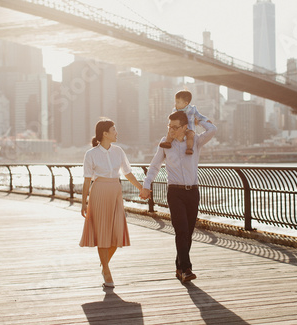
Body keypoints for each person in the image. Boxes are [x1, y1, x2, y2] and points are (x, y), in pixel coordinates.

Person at [140, 110, 217, 283]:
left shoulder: (195, 141)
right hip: (174, 192)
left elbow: (212, 130)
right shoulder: (165, 143)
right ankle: (187, 268)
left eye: (175, 127)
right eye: (169, 127)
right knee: (181, 229)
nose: (171, 130)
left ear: (184, 127)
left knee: (187, 232)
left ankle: (178, 266)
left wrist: (200, 121)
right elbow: (154, 167)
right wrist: (146, 186)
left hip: (193, 192)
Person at [80, 119, 143, 290]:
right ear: (105, 134)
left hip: (115, 191)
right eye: (114, 130)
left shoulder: (119, 151)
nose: (117, 132)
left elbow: (128, 173)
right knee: (102, 233)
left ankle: (104, 263)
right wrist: (84, 203)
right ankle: (106, 270)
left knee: (116, 233)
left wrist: (141, 188)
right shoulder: (91, 154)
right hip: (99, 191)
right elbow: (86, 181)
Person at [159, 90, 210, 155]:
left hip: (189, 128)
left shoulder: (192, 109)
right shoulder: (175, 110)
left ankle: (189, 149)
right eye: (175, 102)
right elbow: (172, 118)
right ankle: (168, 142)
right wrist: (171, 126)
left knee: (190, 137)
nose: (175, 104)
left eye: (178, 102)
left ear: (186, 103)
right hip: (178, 127)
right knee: (170, 133)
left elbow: (199, 115)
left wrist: (205, 120)